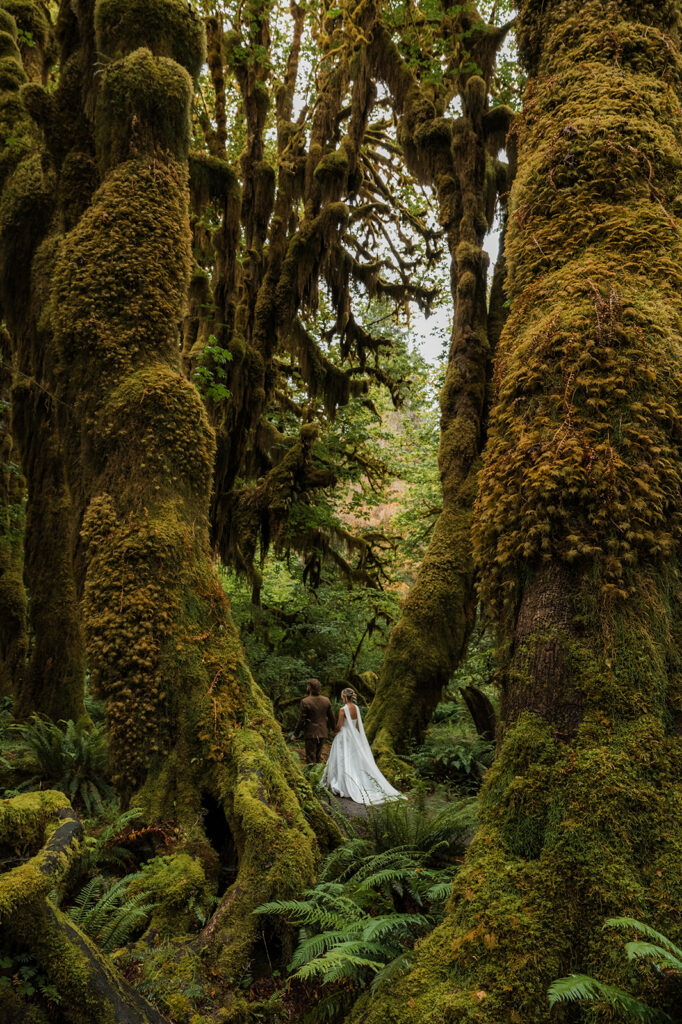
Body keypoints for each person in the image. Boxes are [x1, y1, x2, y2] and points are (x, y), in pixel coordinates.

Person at [320, 687, 405, 805]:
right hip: (354, 735)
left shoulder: (342, 710)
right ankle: (354, 780)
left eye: (342, 696)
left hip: (344, 736)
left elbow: (339, 726)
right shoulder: (356, 708)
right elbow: (358, 725)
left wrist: (334, 731)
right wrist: (358, 737)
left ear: (344, 697)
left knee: (341, 758)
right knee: (353, 759)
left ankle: (342, 783)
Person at [290, 678, 336, 764]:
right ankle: (317, 775)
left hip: (311, 733)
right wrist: (334, 730)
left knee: (310, 758)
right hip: (322, 732)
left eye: (308, 685)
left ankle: (311, 775)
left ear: (310, 687)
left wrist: (295, 734)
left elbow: (301, 720)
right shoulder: (326, 700)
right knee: (318, 756)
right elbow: (331, 718)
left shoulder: (305, 701)